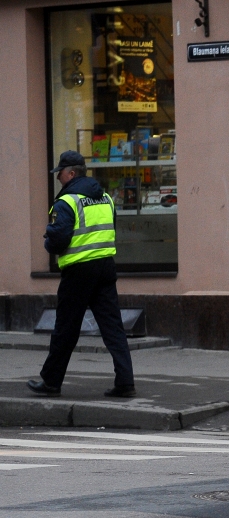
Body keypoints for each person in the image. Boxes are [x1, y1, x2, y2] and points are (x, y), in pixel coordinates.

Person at [27, 151, 136, 397]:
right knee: (112, 327)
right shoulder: (106, 197)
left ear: (72, 173)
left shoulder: (66, 202)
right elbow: (111, 228)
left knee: (66, 327)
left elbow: (58, 238)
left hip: (78, 270)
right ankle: (125, 381)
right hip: (105, 266)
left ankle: (51, 382)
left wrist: (48, 243)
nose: (58, 179)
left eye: (61, 174)